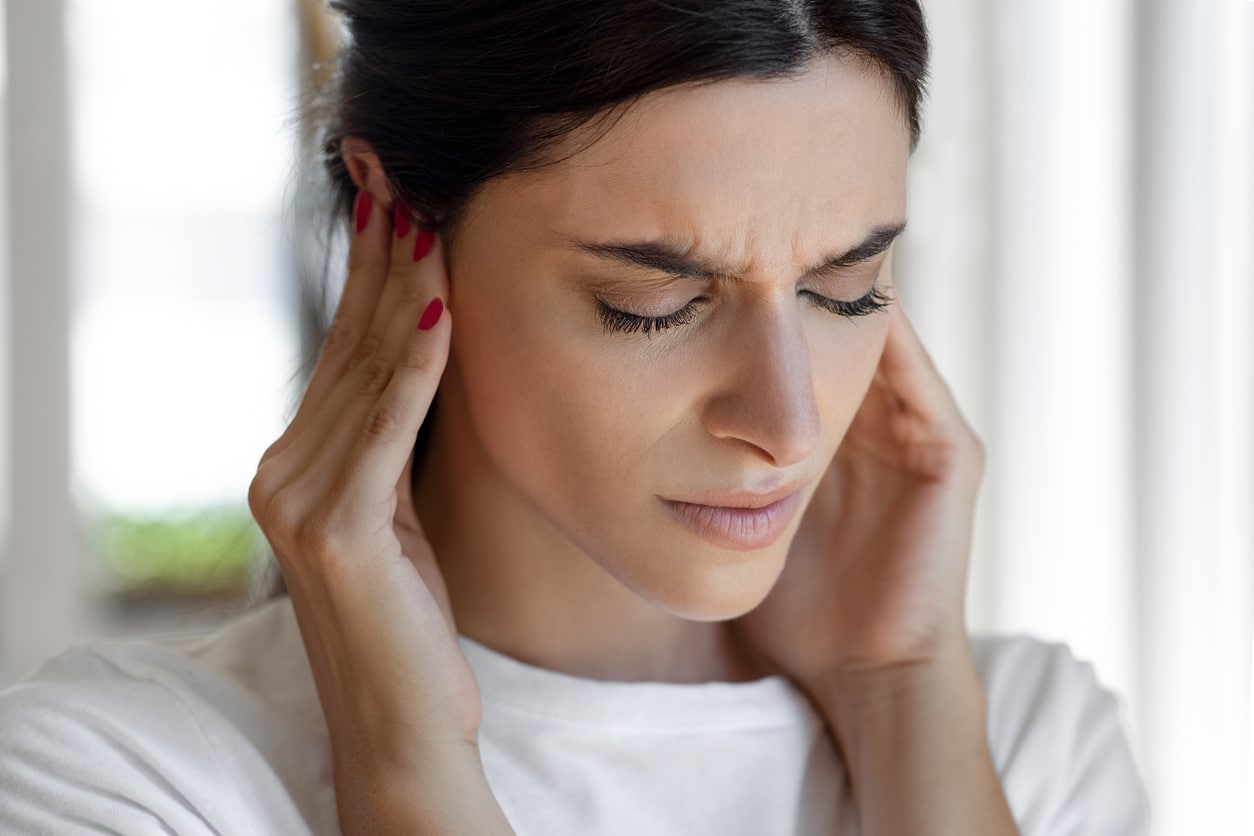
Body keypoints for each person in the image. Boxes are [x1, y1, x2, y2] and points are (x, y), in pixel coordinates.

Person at [0, 1, 1151, 833]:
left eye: (843, 289)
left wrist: (905, 698)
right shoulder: (124, 779)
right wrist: (409, 771)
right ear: (397, 231)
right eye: (652, 302)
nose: (788, 422)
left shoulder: (1023, 744)